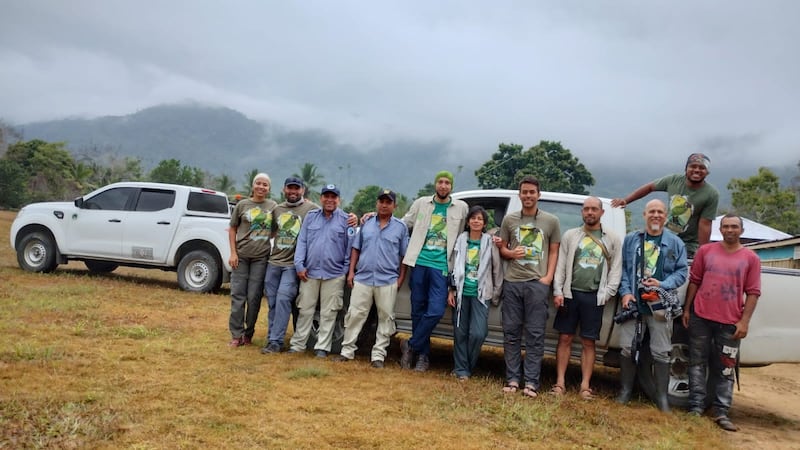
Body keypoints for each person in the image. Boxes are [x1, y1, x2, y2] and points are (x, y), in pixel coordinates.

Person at [682, 214, 761, 431]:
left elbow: (753, 292)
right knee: (697, 363)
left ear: (741, 231)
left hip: (730, 322)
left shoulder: (751, 258)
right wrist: (687, 309)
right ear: (721, 229)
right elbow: (695, 281)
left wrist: (744, 322)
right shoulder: (705, 251)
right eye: (725, 226)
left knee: (726, 368)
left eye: (734, 226)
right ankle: (696, 407)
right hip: (701, 316)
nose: (729, 230)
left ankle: (721, 411)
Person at [616, 199, 688, 412]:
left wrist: (662, 284)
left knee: (661, 351)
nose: (656, 215)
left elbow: (682, 272)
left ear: (665, 216)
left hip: (659, 306)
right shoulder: (631, 240)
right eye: (651, 212)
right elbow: (624, 269)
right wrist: (626, 292)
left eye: (660, 212)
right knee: (627, 348)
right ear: (644, 215)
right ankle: (625, 392)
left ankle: (662, 399)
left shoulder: (675, 243)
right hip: (634, 305)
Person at [552, 197, 622, 398]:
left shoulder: (612, 238)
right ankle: (559, 383)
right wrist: (558, 291)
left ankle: (585, 385)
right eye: (586, 209)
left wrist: (607, 293)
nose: (589, 212)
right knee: (564, 337)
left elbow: (616, 269)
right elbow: (561, 266)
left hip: (594, 297)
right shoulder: (571, 235)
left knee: (588, 341)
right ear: (582, 212)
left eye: (594, 209)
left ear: (601, 213)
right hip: (570, 294)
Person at [497, 176, 561, 398]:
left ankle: (532, 382)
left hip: (537, 284)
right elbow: (503, 249)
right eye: (524, 192)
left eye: (532, 192)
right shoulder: (510, 220)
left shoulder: (551, 221)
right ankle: (513, 379)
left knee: (535, 334)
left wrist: (548, 278)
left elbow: (554, 251)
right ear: (519, 194)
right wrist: (510, 253)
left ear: (539, 195)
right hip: (513, 282)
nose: (528, 196)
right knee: (511, 333)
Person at [399, 170, 468, 372]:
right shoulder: (421, 203)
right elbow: (404, 223)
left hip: (442, 266)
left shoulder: (461, 208)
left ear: (452, 187)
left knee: (436, 311)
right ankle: (423, 356)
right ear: (435, 184)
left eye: (447, 182)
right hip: (419, 262)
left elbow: (470, 230)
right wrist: (374, 218)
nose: (443, 185)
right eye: (440, 182)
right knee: (417, 310)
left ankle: (410, 344)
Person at [333, 189, 409, 368]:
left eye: (388, 202)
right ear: (377, 203)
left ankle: (378, 356)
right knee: (354, 315)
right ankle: (347, 351)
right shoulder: (366, 223)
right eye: (381, 201)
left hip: (388, 279)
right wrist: (351, 272)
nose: (384, 205)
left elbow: (404, 256)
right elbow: (356, 249)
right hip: (363, 277)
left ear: (394, 206)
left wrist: (400, 279)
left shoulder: (400, 227)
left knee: (386, 318)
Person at [611, 153, 719, 257]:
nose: (697, 170)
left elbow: (705, 224)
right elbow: (649, 188)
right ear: (686, 169)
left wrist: (703, 251)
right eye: (693, 166)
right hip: (666, 236)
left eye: (702, 168)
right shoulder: (673, 180)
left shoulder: (711, 194)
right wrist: (625, 201)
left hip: (689, 244)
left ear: (707, 172)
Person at [289, 184, 354, 358]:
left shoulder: (346, 220)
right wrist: (299, 265)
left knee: (329, 312)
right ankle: (298, 344)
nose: (330, 200)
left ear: (338, 200)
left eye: (333, 197)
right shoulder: (311, 217)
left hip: (334, 274)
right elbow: (302, 241)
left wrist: (345, 271)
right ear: (321, 198)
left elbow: (349, 249)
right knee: (305, 309)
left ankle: (322, 347)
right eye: (326, 196)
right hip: (309, 272)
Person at [261, 177, 318, 353]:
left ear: (303, 190)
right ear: (284, 190)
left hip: (292, 265)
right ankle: (272, 337)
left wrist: (353, 218)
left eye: (297, 189)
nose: (293, 192)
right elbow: (267, 232)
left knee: (283, 299)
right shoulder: (277, 209)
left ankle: (276, 342)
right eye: (290, 188)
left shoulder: (311, 209)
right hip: (274, 262)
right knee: (272, 302)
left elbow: (332, 213)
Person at [447, 205, 502, 380]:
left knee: (478, 333)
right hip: (461, 293)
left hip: (481, 294)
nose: (476, 221)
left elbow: (497, 270)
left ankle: (466, 366)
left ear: (485, 223)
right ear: (468, 221)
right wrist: (451, 289)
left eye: (480, 219)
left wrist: (495, 293)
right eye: (473, 218)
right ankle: (461, 370)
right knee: (460, 333)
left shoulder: (489, 242)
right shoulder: (460, 241)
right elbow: (452, 266)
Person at [228, 173, 277, 347]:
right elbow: (232, 229)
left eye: (265, 184)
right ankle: (236, 335)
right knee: (237, 295)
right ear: (253, 185)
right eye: (258, 183)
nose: (261, 187)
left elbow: (276, 229)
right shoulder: (242, 205)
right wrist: (233, 253)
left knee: (254, 297)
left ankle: (249, 334)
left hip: (261, 258)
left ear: (269, 188)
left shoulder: (273, 206)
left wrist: (264, 238)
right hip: (240, 256)